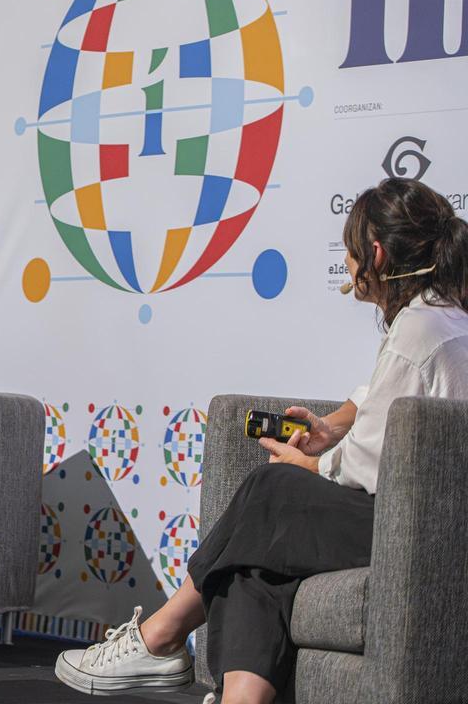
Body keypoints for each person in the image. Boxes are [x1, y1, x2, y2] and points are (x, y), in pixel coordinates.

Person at [54, 177, 468, 703]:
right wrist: (332, 426)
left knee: (271, 489)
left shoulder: (417, 330)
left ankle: (160, 636)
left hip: (412, 534)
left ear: (376, 254)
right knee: (251, 562)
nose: (347, 262)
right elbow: (385, 403)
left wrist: (306, 466)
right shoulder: (446, 317)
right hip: (431, 525)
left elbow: (367, 466)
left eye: (350, 249)